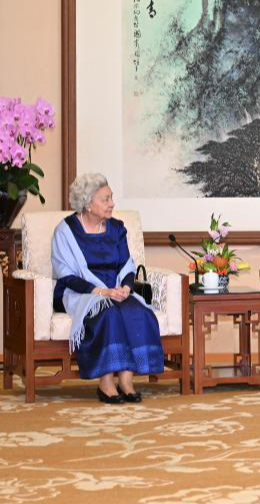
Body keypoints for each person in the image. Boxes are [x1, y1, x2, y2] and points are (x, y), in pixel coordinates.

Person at [52, 173, 163, 404]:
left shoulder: (117, 228)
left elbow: (127, 264)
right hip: (81, 292)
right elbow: (66, 274)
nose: (112, 203)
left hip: (115, 291)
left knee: (138, 312)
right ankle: (105, 382)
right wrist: (102, 292)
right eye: (105, 199)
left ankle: (126, 379)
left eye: (111, 198)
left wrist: (125, 287)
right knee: (109, 314)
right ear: (87, 202)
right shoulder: (66, 230)